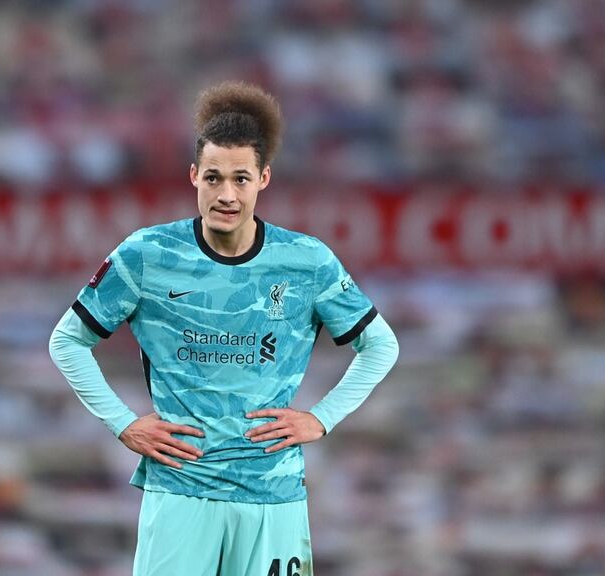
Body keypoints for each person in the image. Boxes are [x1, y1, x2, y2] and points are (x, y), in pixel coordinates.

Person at [49, 81, 399, 576]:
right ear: (194, 176)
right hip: (180, 488)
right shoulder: (148, 255)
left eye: (240, 178)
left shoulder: (306, 261)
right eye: (213, 178)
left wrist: (321, 418)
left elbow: (380, 345)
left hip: (272, 493)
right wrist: (122, 423)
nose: (226, 194)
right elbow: (67, 340)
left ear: (264, 179)